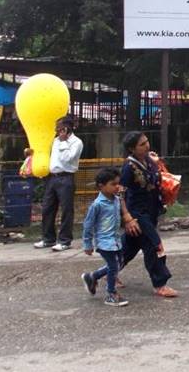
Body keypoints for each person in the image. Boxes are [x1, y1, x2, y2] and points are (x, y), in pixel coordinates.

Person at [119, 131, 178, 298]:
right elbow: (120, 194)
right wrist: (127, 218)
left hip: (151, 211)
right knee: (154, 245)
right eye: (142, 144)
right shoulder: (128, 168)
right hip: (138, 213)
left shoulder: (149, 161)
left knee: (130, 247)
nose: (147, 146)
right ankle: (160, 283)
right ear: (132, 149)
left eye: (147, 142)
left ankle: (102, 273)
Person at [81, 168, 136, 307]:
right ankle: (111, 294)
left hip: (116, 240)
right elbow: (88, 225)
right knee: (113, 267)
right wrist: (87, 244)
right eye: (113, 184)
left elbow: (123, 212)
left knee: (118, 264)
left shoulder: (117, 200)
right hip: (105, 242)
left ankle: (92, 276)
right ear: (101, 186)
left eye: (118, 183)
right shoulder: (97, 205)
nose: (117, 186)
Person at [34, 116, 84, 251]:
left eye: (59, 128)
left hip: (66, 177)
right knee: (47, 208)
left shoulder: (76, 142)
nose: (57, 130)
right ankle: (48, 238)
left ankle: (64, 240)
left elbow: (67, 159)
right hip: (52, 177)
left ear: (66, 128)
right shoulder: (55, 141)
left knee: (66, 210)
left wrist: (63, 142)